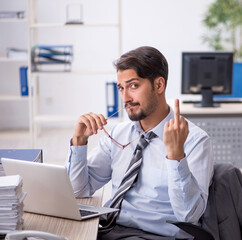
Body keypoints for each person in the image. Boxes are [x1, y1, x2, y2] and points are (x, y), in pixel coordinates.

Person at [66, 46, 214, 239]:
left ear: (159, 85)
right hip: (109, 229)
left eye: (133, 86)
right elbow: (78, 190)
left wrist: (176, 156)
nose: (126, 98)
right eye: (121, 88)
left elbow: (189, 215)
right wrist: (79, 142)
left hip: (156, 236)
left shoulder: (195, 141)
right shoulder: (119, 133)